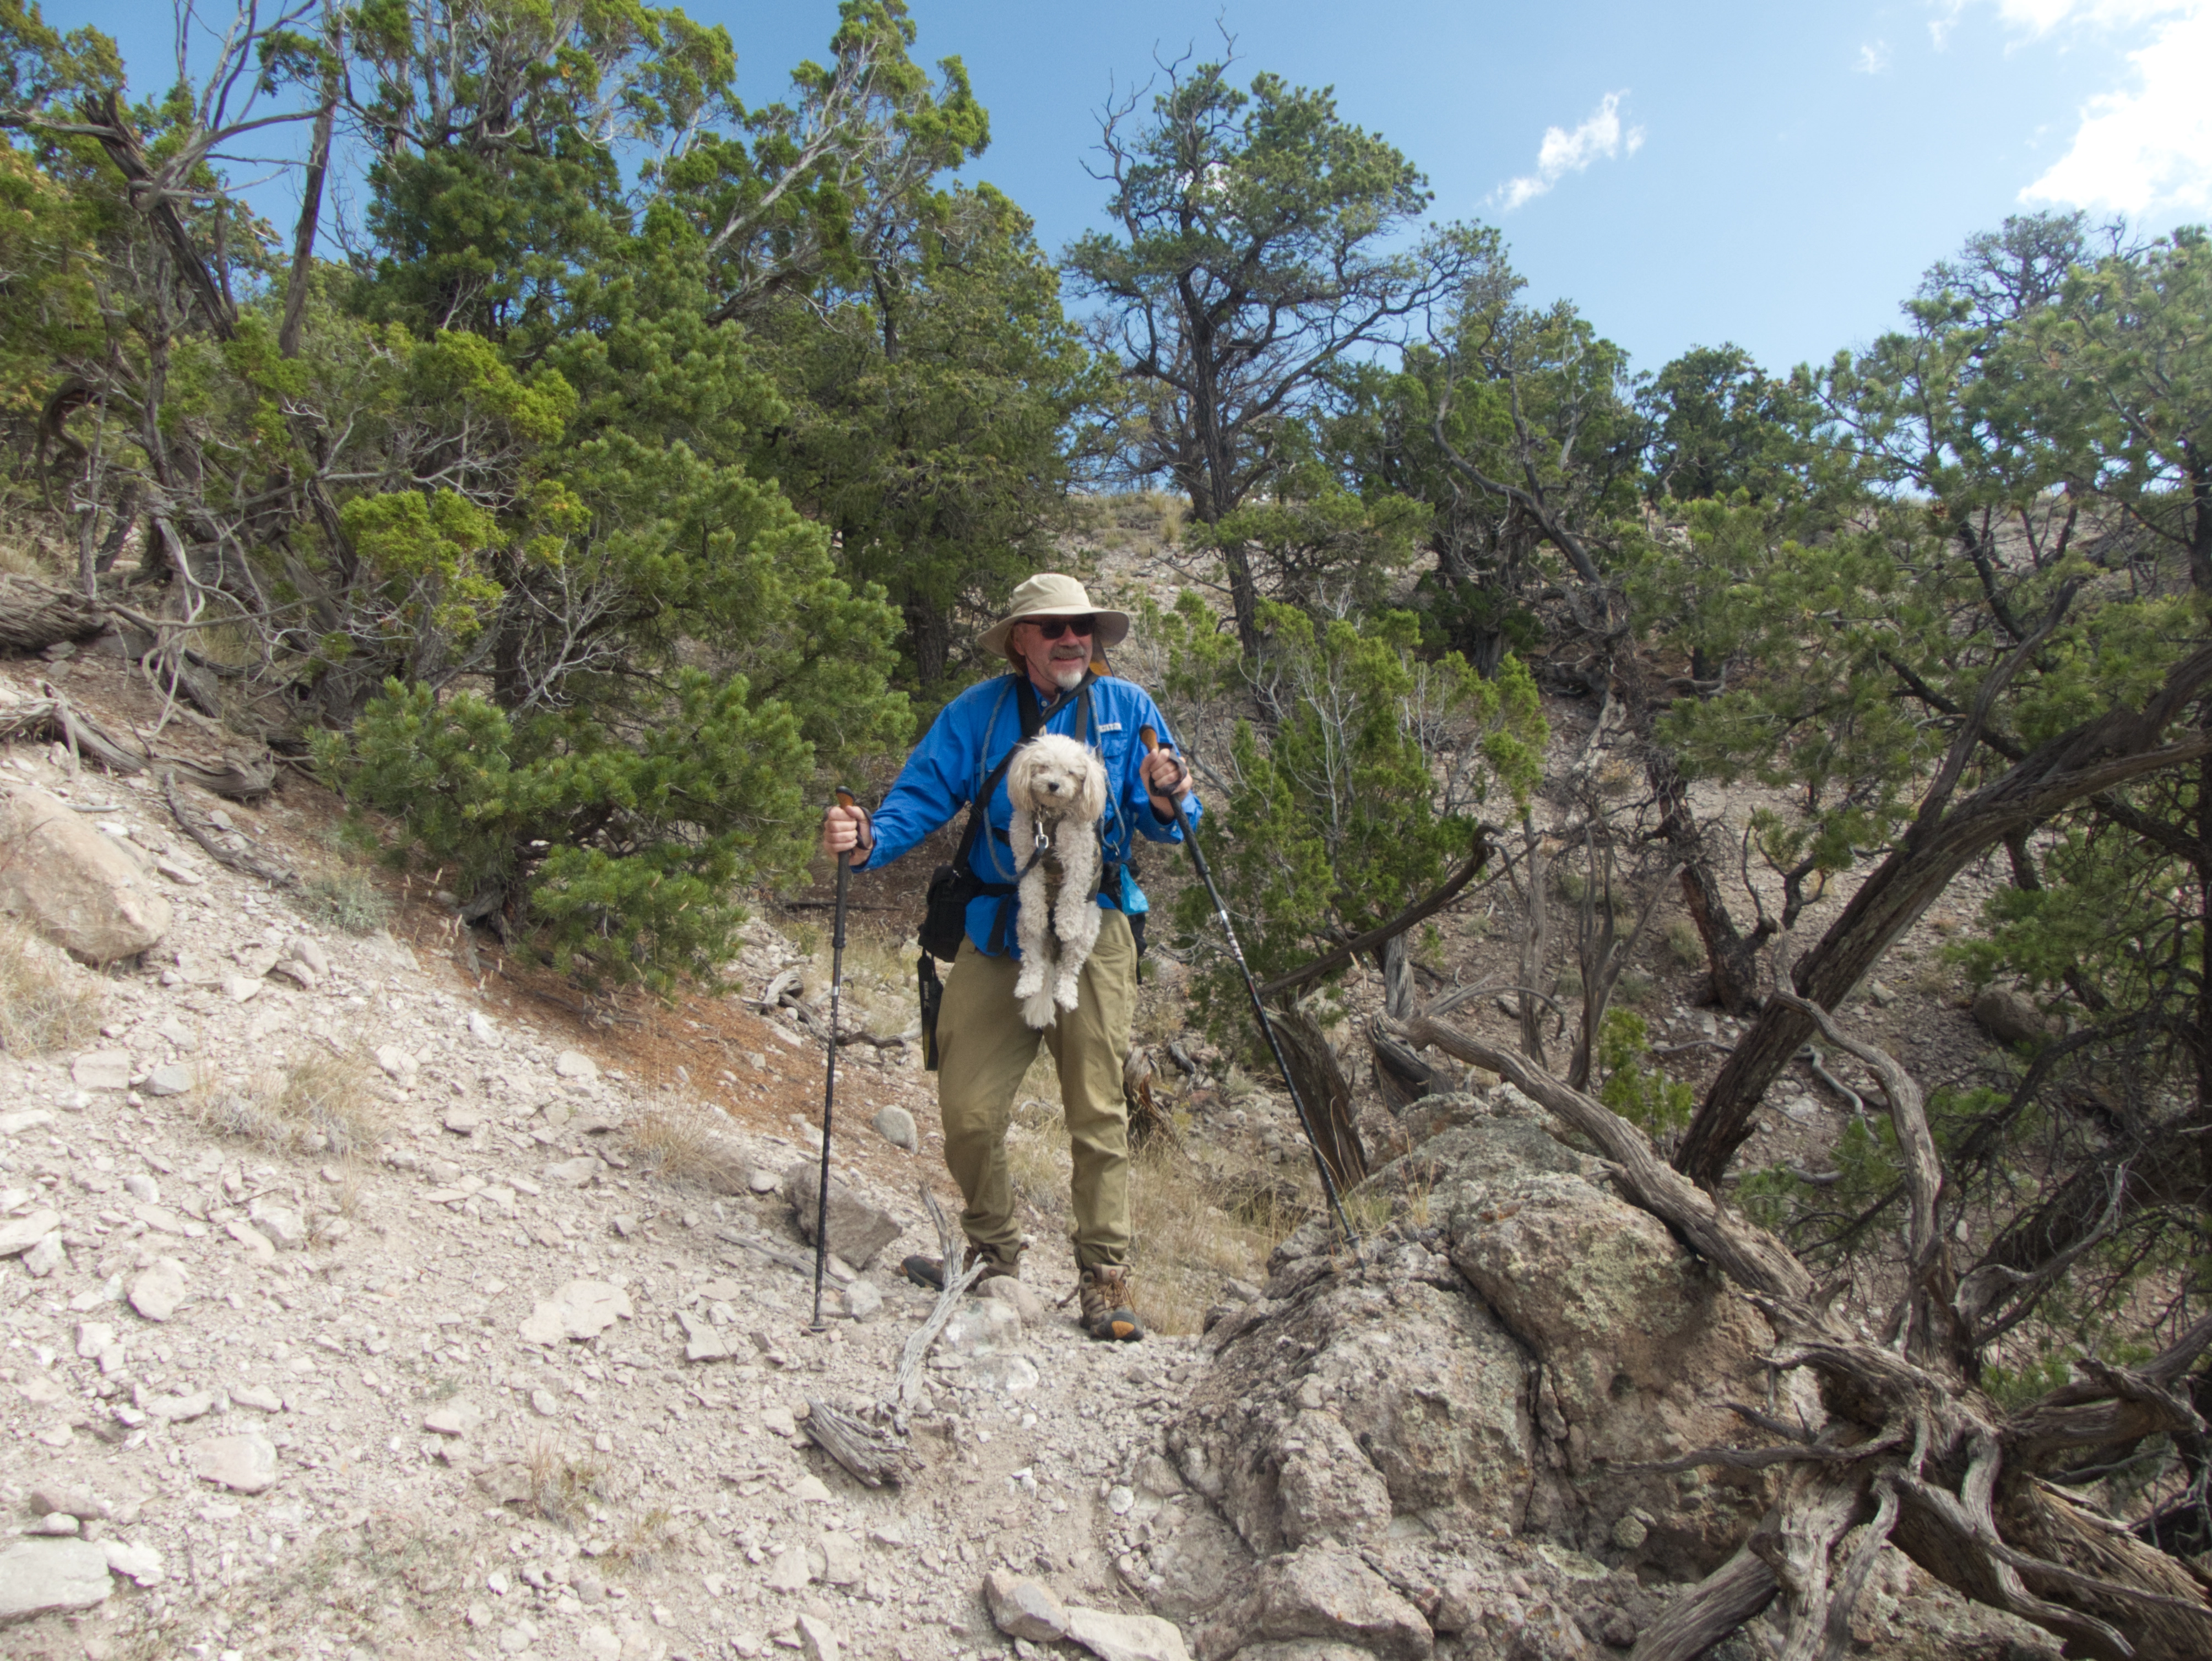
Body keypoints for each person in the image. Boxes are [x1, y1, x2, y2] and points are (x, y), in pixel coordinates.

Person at [819, 574, 1196, 1342]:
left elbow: (1172, 820)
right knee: (967, 1110)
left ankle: (1104, 1278)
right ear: (1020, 638)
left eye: (1082, 628)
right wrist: (866, 842)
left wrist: (1167, 795)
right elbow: (919, 797)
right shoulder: (978, 713)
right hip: (998, 928)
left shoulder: (1130, 712)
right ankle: (993, 1253)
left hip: (1098, 926)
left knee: (1096, 1109)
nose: (1071, 639)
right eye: (1052, 627)